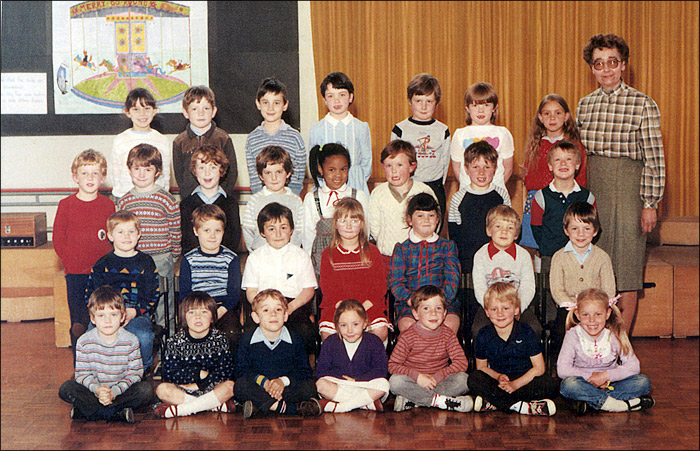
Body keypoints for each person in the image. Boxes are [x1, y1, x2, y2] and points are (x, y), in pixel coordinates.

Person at [576, 33, 666, 332]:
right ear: (592, 68)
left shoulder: (643, 104)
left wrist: (649, 204)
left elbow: (654, 159)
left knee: (626, 269)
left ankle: (620, 344)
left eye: (612, 62)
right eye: (598, 63)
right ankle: (594, 342)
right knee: (595, 264)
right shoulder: (584, 105)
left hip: (630, 189)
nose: (606, 69)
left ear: (623, 64)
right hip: (595, 188)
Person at [59, 285, 154, 423]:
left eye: (113, 315)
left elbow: (135, 373)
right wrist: (97, 389)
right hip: (94, 391)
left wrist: (114, 392)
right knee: (66, 388)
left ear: (122, 317)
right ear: (92, 318)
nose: (107, 321)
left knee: (146, 390)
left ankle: (89, 411)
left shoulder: (131, 340)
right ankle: (115, 413)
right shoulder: (84, 341)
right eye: (101, 315)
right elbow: (82, 374)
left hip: (120, 391)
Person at [53, 149, 115, 354]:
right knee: (79, 321)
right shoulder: (66, 205)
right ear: (75, 177)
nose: (90, 178)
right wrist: (71, 263)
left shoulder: (108, 205)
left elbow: (112, 239)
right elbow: (58, 240)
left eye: (95, 173)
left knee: (103, 317)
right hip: (76, 274)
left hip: (102, 274)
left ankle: (104, 361)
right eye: (84, 173)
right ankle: (80, 367)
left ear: (103, 178)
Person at [557, 288, 655, 414]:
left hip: (611, 385)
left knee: (643, 382)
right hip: (584, 383)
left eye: (598, 314)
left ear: (607, 313)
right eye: (586, 315)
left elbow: (634, 366)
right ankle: (619, 405)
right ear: (577, 314)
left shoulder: (614, 334)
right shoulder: (573, 335)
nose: (592, 320)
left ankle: (591, 401)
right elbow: (562, 369)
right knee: (569, 385)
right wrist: (591, 378)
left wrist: (605, 376)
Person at [447, 141, 511, 334]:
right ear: (466, 169)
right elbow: (454, 235)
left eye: (487, 167)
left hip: (496, 264)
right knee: (472, 314)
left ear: (495, 169)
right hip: (468, 265)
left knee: (497, 307)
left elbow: (508, 231)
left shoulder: (501, 196)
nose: (481, 172)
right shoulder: (459, 198)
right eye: (475, 166)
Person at [116, 144, 180, 335]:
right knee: (137, 301)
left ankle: (168, 349)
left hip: (162, 259)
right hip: (135, 260)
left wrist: (174, 256)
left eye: (148, 169)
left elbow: (175, 230)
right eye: (137, 169)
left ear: (157, 171)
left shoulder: (166, 199)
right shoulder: (124, 201)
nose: (142, 174)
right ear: (129, 170)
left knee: (164, 305)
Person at [469, 282, 558, 416]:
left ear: (516, 310)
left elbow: (539, 368)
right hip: (499, 381)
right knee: (474, 379)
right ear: (486, 312)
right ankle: (523, 407)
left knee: (550, 384)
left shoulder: (526, 331)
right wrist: (498, 376)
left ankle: (495, 403)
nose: (500, 314)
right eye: (494, 309)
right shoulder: (483, 334)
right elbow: (481, 367)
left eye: (505, 308)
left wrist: (515, 385)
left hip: (523, 380)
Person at [84, 210, 159, 369]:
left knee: (144, 336)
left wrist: (134, 312)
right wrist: (104, 314)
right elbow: (91, 295)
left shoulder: (146, 262)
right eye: (120, 232)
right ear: (110, 236)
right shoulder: (102, 264)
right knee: (88, 337)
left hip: (135, 314)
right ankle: (97, 370)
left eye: (131, 232)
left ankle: (142, 370)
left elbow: (152, 295)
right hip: (106, 315)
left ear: (139, 235)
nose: (127, 236)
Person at [241, 203, 318, 356]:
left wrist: (289, 308)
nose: (278, 234)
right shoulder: (255, 257)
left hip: (292, 305)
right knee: (249, 334)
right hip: (263, 305)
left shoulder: (300, 255)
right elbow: (250, 292)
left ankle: (296, 373)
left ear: (291, 230)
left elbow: (308, 290)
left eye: (283, 228)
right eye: (271, 229)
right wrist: (265, 309)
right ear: (262, 232)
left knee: (305, 332)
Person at [234, 289, 322, 418]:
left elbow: (304, 371)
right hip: (260, 386)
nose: (273, 314)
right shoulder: (247, 339)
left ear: (286, 315)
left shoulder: (295, 339)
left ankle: (260, 406)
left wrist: (282, 381)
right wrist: (264, 382)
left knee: (310, 387)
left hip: (285, 388)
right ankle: (288, 408)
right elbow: (241, 371)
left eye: (278, 310)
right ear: (255, 317)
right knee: (240, 386)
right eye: (266, 310)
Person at [548, 202, 616, 366]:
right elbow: (557, 289)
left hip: (596, 310)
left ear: (595, 231)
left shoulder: (602, 257)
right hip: (569, 310)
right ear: (566, 230)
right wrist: (574, 308)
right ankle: (564, 370)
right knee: (560, 332)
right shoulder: (559, 257)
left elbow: (609, 289)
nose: (581, 234)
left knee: (610, 330)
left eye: (586, 228)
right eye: (575, 228)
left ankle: (604, 365)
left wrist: (596, 308)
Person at [388, 285, 472, 413]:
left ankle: (414, 400)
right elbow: (393, 365)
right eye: (426, 308)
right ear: (415, 314)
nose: (433, 313)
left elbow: (461, 362)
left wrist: (438, 377)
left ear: (444, 314)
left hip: (439, 381)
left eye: (438, 308)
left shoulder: (448, 334)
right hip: (415, 381)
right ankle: (441, 402)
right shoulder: (407, 336)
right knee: (395, 382)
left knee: (464, 380)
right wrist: (418, 377)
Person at [319, 198, 391, 345]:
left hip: (368, 307)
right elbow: (327, 288)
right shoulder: (328, 254)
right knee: (329, 335)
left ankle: (369, 367)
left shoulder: (373, 251)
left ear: (362, 224)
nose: (349, 226)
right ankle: (341, 367)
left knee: (380, 332)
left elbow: (380, 287)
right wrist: (346, 311)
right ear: (335, 224)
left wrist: (362, 308)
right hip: (338, 307)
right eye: (343, 221)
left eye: (354, 220)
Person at [520, 94, 587, 250]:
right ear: (540, 118)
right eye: (547, 113)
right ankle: (541, 273)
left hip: (566, 199)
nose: (552, 118)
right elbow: (529, 178)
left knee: (566, 243)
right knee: (539, 245)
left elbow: (581, 176)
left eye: (558, 113)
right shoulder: (535, 145)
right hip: (539, 200)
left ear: (566, 117)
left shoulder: (574, 145)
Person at [154, 291, 236, 418]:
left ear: (213, 317)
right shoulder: (174, 342)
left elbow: (224, 373)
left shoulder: (221, 339)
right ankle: (212, 406)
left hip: (212, 389)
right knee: (162, 389)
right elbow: (170, 375)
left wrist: (200, 385)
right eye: (191, 312)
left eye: (204, 312)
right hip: (185, 391)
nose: (198, 317)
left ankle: (182, 410)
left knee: (230, 386)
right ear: (184, 317)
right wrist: (198, 375)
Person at [390, 193, 460, 334]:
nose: (426, 220)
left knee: (450, 324)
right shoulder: (402, 249)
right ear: (410, 220)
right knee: (408, 326)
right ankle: (417, 357)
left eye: (431, 216)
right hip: (411, 305)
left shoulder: (447, 246)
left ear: (438, 219)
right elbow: (396, 284)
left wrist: (438, 303)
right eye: (420, 216)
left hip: (442, 303)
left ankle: (442, 356)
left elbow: (452, 281)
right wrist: (414, 301)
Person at [390, 73, 451, 227]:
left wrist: (437, 185)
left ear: (436, 103)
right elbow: (394, 162)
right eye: (418, 101)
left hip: (434, 186)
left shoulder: (443, 130)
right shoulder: (400, 130)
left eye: (429, 101)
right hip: (408, 185)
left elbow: (445, 162)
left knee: (433, 228)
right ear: (410, 101)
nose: (424, 107)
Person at [179, 204, 242, 350]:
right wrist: (200, 314)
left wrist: (217, 313)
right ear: (196, 231)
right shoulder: (189, 260)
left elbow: (234, 294)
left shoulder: (231, 258)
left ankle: (227, 370)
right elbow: (185, 294)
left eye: (217, 230)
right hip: (196, 309)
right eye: (206, 230)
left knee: (231, 334)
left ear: (223, 232)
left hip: (223, 309)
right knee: (189, 336)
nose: (212, 235)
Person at [471, 205, 539, 338]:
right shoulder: (480, 255)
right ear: (488, 231)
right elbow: (479, 287)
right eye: (498, 227)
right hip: (490, 305)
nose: (504, 232)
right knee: (478, 329)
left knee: (534, 328)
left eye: (510, 228)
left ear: (516, 235)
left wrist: (519, 307)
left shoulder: (523, 255)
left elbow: (528, 287)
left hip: (517, 305)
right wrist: (491, 308)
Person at [303, 143, 369, 277]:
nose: (338, 175)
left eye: (343, 169)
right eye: (332, 170)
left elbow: (365, 230)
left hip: (353, 259)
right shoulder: (312, 198)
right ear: (321, 169)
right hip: (322, 261)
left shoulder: (358, 195)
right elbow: (307, 236)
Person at [368, 139, 438, 262]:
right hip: (387, 256)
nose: (394, 171)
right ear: (383, 166)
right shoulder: (378, 193)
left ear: (412, 166)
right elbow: (374, 227)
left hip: (419, 255)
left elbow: (434, 220)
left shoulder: (423, 190)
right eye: (389, 166)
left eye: (400, 165)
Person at [315, 299, 390, 413]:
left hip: (364, 384)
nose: (350, 330)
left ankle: (341, 407)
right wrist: (343, 379)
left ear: (365, 323)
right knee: (320, 384)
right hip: (340, 384)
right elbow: (321, 371)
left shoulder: (374, 341)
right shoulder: (330, 342)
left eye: (355, 324)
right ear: (337, 326)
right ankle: (364, 403)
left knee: (384, 384)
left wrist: (357, 380)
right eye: (343, 325)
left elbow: (381, 370)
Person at [308, 71, 372, 196]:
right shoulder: (317, 129)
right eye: (331, 96)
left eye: (342, 95)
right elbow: (314, 162)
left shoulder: (360, 127)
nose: (336, 100)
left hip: (355, 186)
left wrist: (358, 181)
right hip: (326, 187)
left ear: (350, 97)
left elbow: (366, 162)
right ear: (324, 100)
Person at [530, 141, 596, 259]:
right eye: (558, 160)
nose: (563, 163)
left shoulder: (587, 197)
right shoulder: (541, 197)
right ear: (550, 165)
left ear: (577, 165)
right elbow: (536, 227)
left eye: (569, 159)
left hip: (580, 256)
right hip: (550, 256)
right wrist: (547, 248)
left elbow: (594, 226)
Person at [172, 85, 238, 200]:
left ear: (214, 111)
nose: (201, 113)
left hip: (218, 200)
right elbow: (179, 175)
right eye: (194, 109)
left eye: (206, 109)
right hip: (191, 201)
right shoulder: (179, 141)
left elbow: (232, 173)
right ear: (186, 113)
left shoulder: (223, 138)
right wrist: (189, 199)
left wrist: (221, 197)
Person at [245, 77, 306, 196]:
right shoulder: (252, 139)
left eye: (276, 103)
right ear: (258, 104)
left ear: (285, 105)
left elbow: (298, 177)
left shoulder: (295, 137)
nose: (270, 108)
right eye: (265, 102)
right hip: (263, 202)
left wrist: (290, 199)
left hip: (288, 201)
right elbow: (254, 178)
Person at [449, 82, 514, 191]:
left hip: (495, 192)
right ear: (467, 108)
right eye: (475, 106)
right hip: (469, 192)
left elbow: (508, 168)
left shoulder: (502, 133)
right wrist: (472, 189)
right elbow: (457, 168)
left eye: (486, 105)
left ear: (494, 108)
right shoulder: (460, 134)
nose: (480, 110)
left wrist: (493, 189)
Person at [179, 144, 242, 255]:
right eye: (202, 168)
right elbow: (186, 240)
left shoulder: (231, 204)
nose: (207, 173)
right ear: (195, 171)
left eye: (213, 167)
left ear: (221, 170)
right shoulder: (186, 204)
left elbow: (233, 240)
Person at [111, 87, 170, 199]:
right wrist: (120, 197)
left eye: (147, 108)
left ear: (154, 111)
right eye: (136, 109)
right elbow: (116, 174)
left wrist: (164, 195)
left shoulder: (162, 140)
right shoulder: (120, 140)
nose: (142, 114)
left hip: (155, 198)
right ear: (127, 112)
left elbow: (165, 174)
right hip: (127, 197)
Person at [242, 145, 304, 251]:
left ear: (288, 173)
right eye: (268, 173)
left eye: (279, 172)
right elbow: (248, 231)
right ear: (261, 176)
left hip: (289, 257)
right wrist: (255, 253)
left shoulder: (296, 201)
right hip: (262, 257)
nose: (274, 178)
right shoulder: (254, 201)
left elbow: (299, 232)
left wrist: (292, 253)